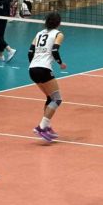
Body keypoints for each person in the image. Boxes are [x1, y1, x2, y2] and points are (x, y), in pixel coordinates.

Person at [29, 12, 67, 142]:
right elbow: (55, 50)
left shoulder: (39, 34)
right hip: (44, 69)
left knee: (50, 98)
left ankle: (47, 127)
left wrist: (34, 64)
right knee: (57, 99)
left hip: (32, 69)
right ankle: (41, 127)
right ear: (59, 23)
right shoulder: (58, 34)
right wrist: (60, 63)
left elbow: (30, 52)